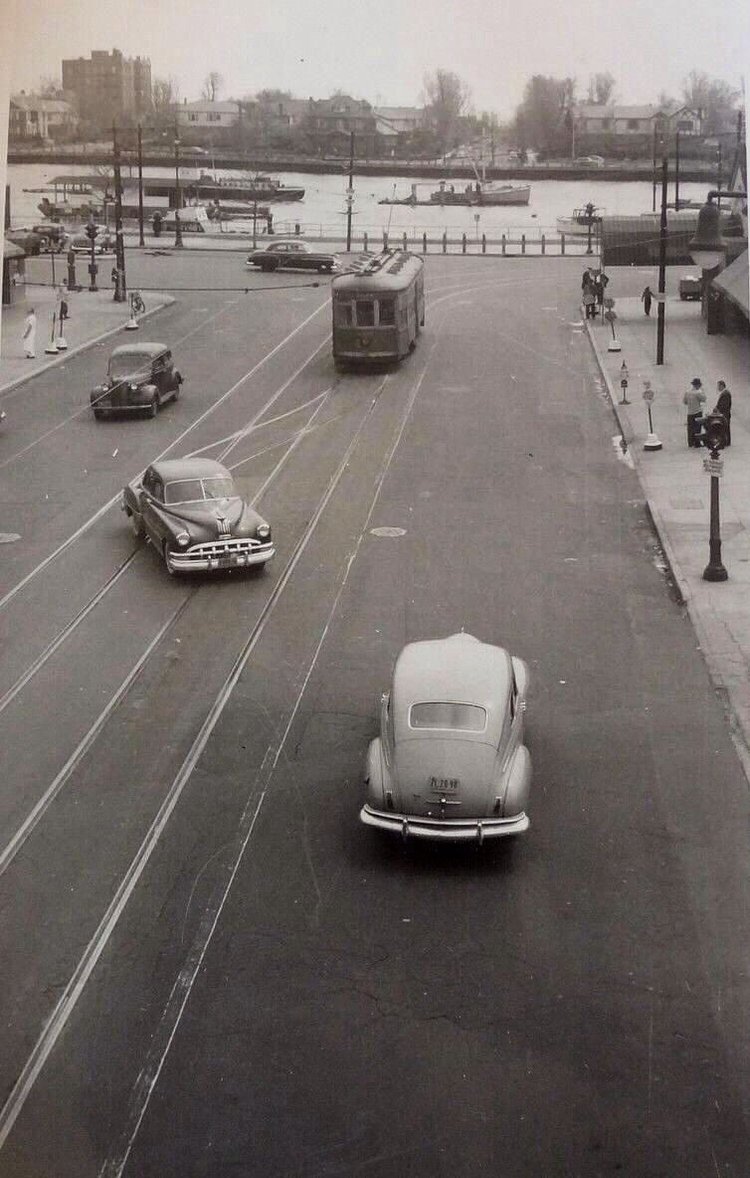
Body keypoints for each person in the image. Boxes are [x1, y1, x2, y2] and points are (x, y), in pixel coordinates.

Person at [683, 377, 706, 448]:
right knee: (697, 428)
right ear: (698, 385)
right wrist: (702, 391)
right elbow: (704, 399)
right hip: (697, 412)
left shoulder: (687, 392)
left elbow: (684, 401)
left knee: (690, 428)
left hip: (690, 412)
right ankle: (697, 443)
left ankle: (690, 442)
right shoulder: (698, 392)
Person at [713, 380, 732, 447]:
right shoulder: (725, 393)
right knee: (725, 427)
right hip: (725, 413)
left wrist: (718, 409)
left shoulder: (725, 394)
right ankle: (726, 441)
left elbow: (724, 405)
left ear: (722, 385)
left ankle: (726, 442)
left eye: (718, 386)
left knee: (725, 427)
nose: (718, 388)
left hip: (725, 414)